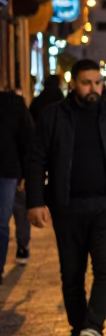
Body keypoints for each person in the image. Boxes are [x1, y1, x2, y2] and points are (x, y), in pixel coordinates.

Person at [26, 59, 106, 336]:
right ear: (73, 84)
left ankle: (92, 327)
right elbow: (36, 160)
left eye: (97, 82)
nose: (93, 88)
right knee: (72, 274)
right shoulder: (53, 116)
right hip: (67, 206)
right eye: (86, 82)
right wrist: (35, 201)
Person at [0, 89, 33, 283]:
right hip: (10, 170)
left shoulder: (13, 104)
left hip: (8, 171)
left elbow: (27, 139)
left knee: (3, 220)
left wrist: (27, 173)